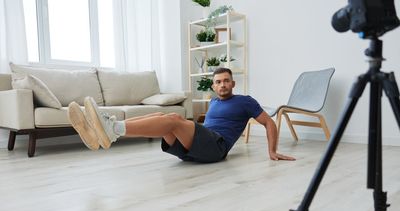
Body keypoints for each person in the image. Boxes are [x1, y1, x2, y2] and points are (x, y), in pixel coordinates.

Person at [67, 68, 295, 163]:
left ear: (233, 83)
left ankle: (111, 129)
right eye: (218, 82)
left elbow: (269, 123)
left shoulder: (245, 101)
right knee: (162, 116)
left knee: (174, 119)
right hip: (193, 149)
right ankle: (106, 132)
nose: (222, 85)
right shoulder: (213, 102)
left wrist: (272, 151)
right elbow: (201, 127)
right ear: (213, 86)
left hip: (216, 148)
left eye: (226, 81)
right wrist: (190, 128)